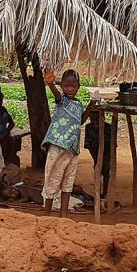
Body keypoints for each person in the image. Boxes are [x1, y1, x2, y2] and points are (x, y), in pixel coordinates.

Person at [42, 69, 95, 217]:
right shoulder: (62, 100)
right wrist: (51, 84)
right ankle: (47, 215)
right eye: (67, 85)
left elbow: (81, 121)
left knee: (68, 181)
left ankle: (63, 215)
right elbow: (56, 93)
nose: (70, 88)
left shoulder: (78, 104)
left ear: (78, 86)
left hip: (72, 148)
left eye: (74, 85)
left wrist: (92, 103)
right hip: (58, 145)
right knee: (52, 178)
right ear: (62, 86)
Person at [84, 110, 112, 198]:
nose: (94, 121)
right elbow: (87, 144)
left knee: (106, 171)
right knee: (97, 171)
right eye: (92, 119)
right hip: (94, 151)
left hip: (107, 152)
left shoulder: (108, 127)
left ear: (102, 118)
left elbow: (112, 144)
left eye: (96, 119)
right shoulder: (88, 127)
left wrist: (106, 157)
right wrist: (96, 157)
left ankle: (105, 193)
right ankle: (98, 192)